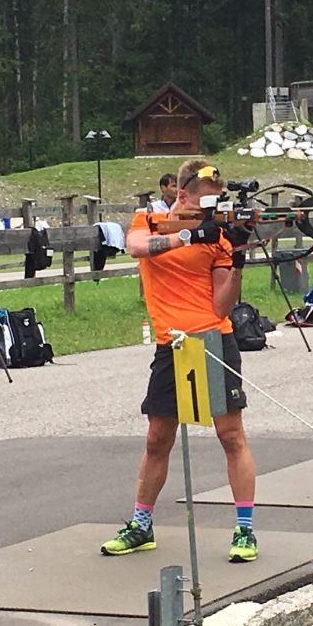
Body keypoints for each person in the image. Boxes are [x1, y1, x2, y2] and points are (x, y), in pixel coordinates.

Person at [102, 159, 258, 563]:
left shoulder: (219, 238)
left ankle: (244, 530)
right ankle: (141, 524)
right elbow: (135, 248)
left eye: (214, 206)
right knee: (157, 438)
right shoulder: (149, 219)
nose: (209, 213)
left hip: (213, 337)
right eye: (202, 203)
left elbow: (221, 306)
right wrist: (189, 235)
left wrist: (237, 255)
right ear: (182, 195)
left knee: (231, 435)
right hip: (170, 344)